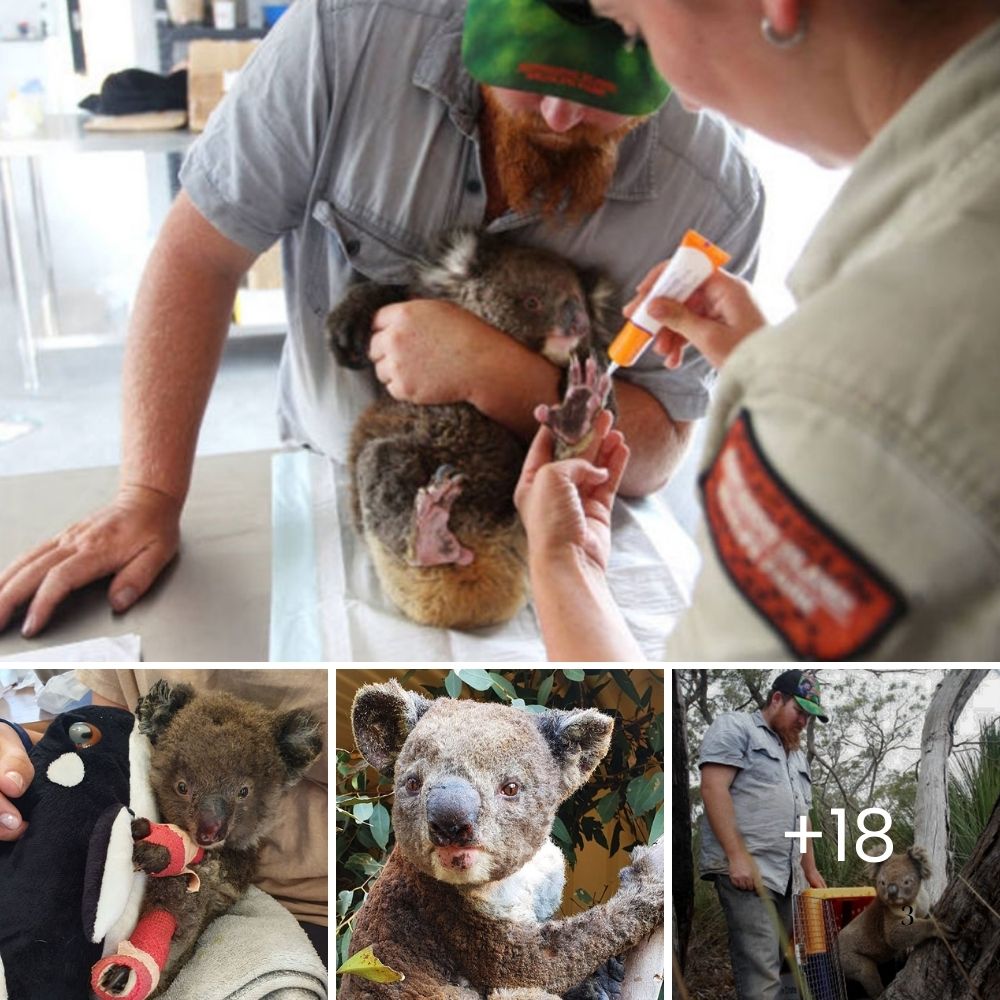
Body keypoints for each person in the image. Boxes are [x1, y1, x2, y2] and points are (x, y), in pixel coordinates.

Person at [0, 0, 764, 639]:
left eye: (605, 87)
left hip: (568, 528)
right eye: (529, 74)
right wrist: (150, 496)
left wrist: (499, 373)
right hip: (343, 479)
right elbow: (200, 255)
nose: (561, 116)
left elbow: (660, 444)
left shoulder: (715, 196)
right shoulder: (348, 34)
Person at [516, 0, 1000, 659]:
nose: (667, 80)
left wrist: (562, 558)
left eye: (634, 29)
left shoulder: (857, 394)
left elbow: (671, 748)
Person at [0, 668, 328, 962]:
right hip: (119, 837)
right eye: (184, 788)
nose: (211, 825)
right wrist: (16, 742)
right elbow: (104, 741)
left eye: (241, 793)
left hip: (300, 907)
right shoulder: (132, 652)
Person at [699, 670, 828, 1000]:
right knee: (761, 974)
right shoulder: (736, 727)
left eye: (809, 716)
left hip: (786, 877)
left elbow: (803, 816)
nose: (803, 722)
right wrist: (736, 857)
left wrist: (810, 870)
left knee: (787, 970)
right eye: (799, 711)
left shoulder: (796, 756)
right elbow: (714, 788)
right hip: (748, 872)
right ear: (776, 699)